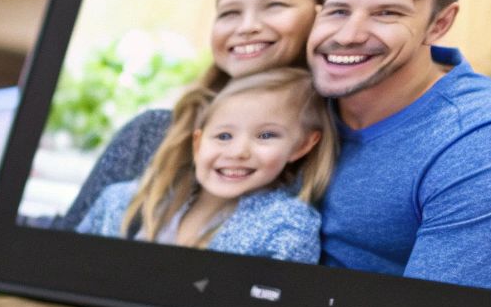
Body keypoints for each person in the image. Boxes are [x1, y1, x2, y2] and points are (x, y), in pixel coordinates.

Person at [308, 0, 491, 289]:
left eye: (387, 13)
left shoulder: (481, 132)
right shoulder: (292, 91)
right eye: (338, 11)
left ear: (440, 24)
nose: (348, 35)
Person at [50, 0, 325, 231]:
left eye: (275, 5)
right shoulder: (152, 134)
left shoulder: (326, 157)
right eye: (229, 13)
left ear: (324, 15)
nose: (246, 26)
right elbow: (70, 237)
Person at [75, 68, 333, 262]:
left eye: (266, 136)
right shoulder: (121, 202)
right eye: (223, 136)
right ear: (198, 145)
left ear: (302, 146)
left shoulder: (287, 225)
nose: (238, 151)